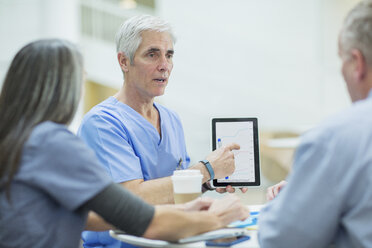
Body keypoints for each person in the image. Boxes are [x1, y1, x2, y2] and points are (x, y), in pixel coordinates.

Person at [0, 39, 251, 248]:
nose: (163, 65)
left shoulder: (16, 141)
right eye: (152, 54)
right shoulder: (53, 141)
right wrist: (218, 216)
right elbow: (141, 219)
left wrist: (187, 209)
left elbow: (94, 216)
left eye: (169, 55)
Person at [258, 1, 372, 247]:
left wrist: (288, 203)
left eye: (342, 59)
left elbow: (282, 240)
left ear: (357, 63)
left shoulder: (336, 138)